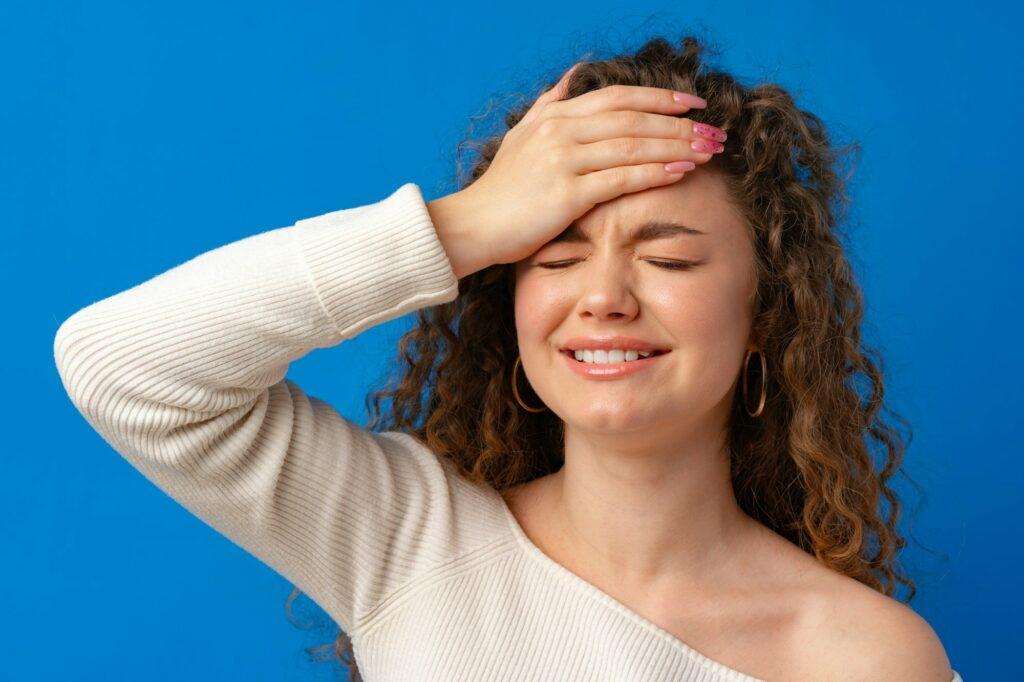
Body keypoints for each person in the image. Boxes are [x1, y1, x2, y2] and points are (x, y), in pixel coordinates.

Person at [54, 35, 962, 681]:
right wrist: (470, 222)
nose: (602, 297)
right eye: (556, 256)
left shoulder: (867, 660)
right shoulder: (408, 537)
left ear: (767, 315)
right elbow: (121, 366)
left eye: (670, 257)